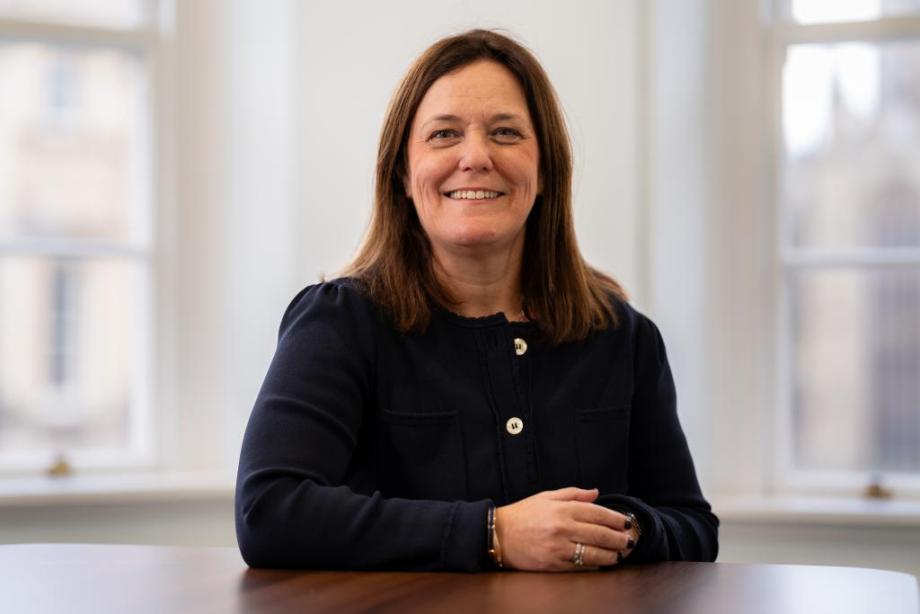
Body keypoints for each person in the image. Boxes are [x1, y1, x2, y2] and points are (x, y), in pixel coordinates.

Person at [235, 28, 718, 572]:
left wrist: (622, 530)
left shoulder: (623, 336)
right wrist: (494, 533)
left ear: (546, 171)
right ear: (401, 172)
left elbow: (693, 528)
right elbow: (268, 512)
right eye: (443, 134)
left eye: (506, 133)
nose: (475, 157)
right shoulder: (340, 322)